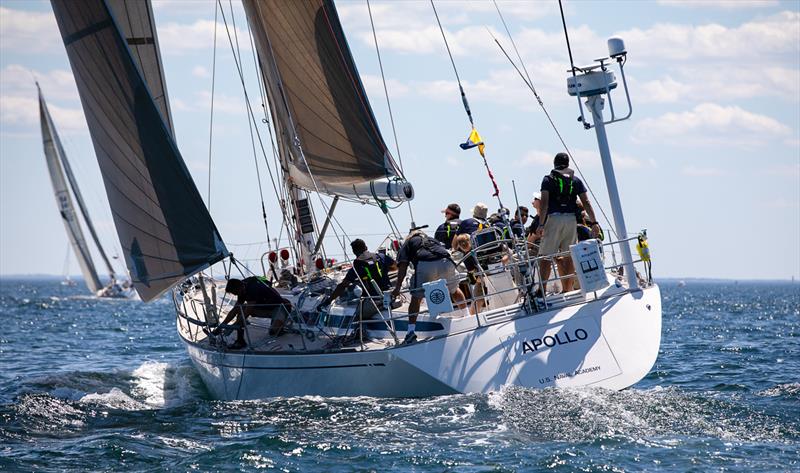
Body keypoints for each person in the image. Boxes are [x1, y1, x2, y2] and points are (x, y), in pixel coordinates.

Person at [536, 152, 600, 294]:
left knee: (546, 256)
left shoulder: (548, 179)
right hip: (571, 220)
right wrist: (594, 222)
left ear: (554, 163)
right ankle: (567, 288)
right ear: (568, 164)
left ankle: (542, 289)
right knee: (568, 255)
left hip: (554, 219)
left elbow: (544, 204)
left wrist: (541, 225)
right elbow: (586, 202)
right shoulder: (575, 181)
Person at [391, 230, 466, 344]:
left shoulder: (408, 243)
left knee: (416, 298)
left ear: (410, 236)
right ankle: (468, 316)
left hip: (426, 264)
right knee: (454, 290)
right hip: (446, 262)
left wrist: (397, 287)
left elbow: (403, 266)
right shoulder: (432, 240)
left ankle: (410, 332)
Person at [319, 239, 396, 319]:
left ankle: (361, 330)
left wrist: (329, 301)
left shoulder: (358, 264)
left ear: (354, 252)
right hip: (390, 295)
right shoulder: (380, 256)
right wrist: (384, 270)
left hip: (374, 300)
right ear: (366, 247)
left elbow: (343, 285)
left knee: (357, 316)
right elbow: (396, 266)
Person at [216, 276, 293, 348]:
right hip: (264, 308)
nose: (236, 295)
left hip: (280, 307)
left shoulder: (253, 289)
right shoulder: (241, 288)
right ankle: (240, 341)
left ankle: (283, 322)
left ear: (239, 287)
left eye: (236, 293)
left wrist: (232, 328)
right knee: (241, 309)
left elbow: (247, 312)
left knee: (274, 331)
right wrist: (222, 326)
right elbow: (235, 309)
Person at [452, 234, 486, 315]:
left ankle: (472, 316)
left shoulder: (466, 257)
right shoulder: (478, 248)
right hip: (488, 273)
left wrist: (474, 281)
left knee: (477, 298)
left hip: (481, 278)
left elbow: (472, 273)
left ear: (459, 246)